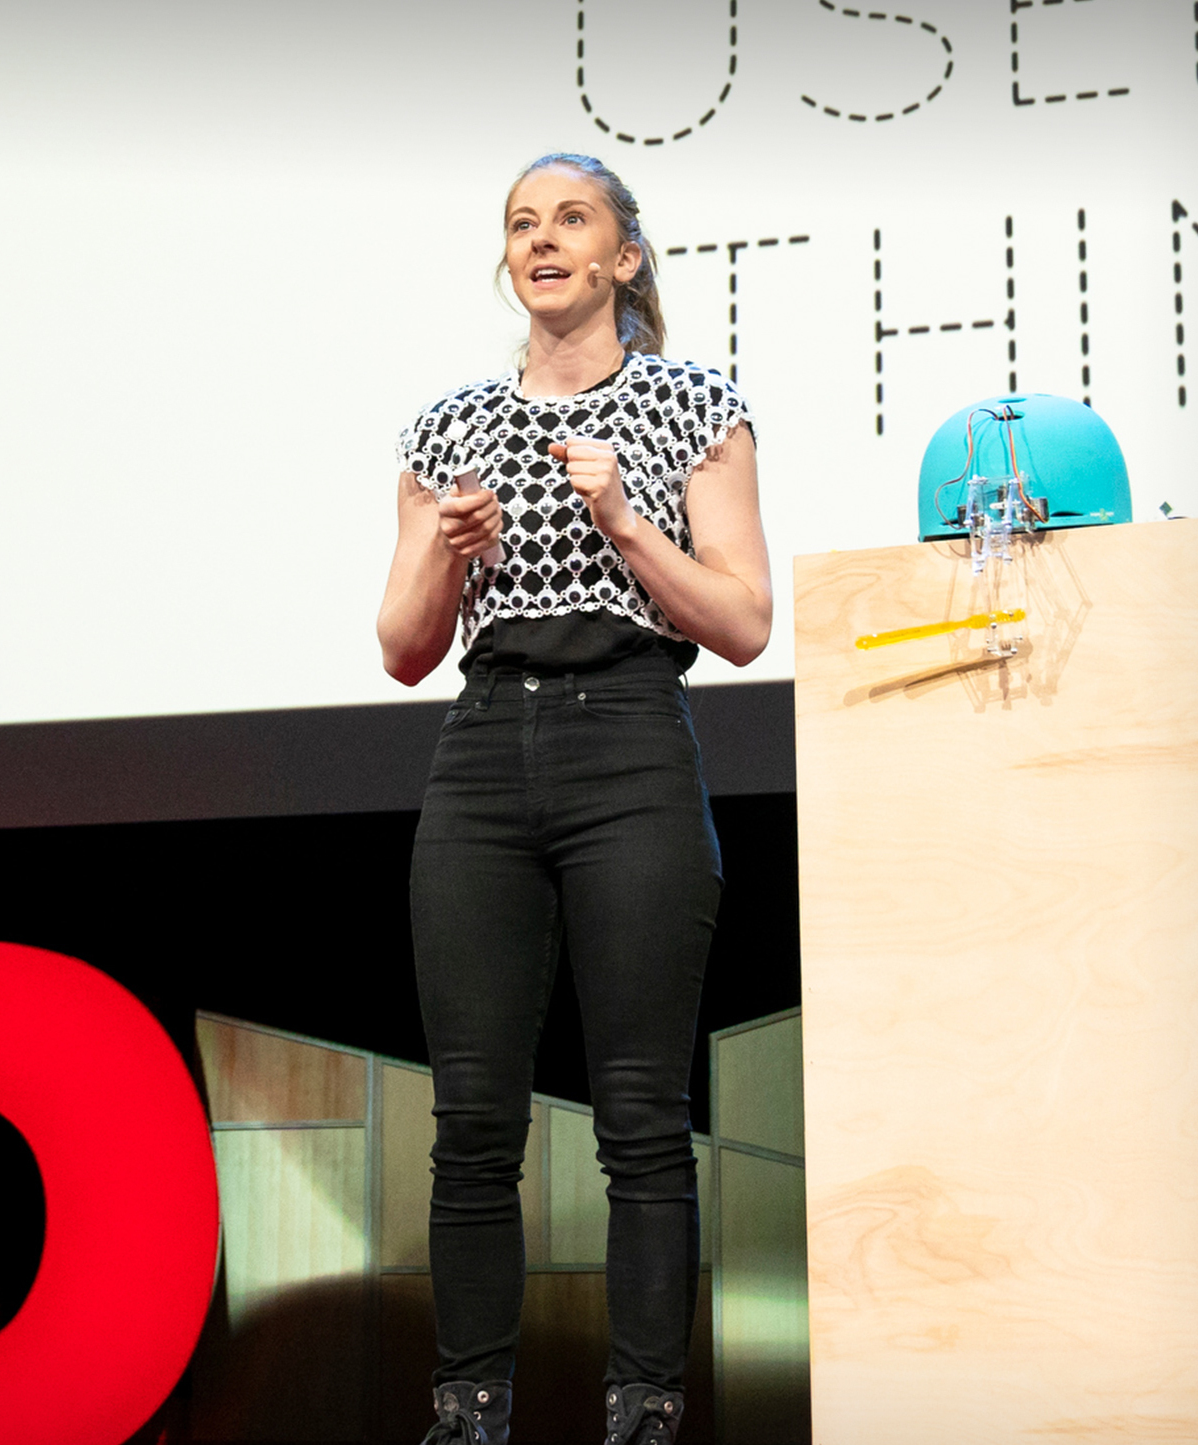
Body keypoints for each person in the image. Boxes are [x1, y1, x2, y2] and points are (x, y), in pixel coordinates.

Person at [375, 153, 773, 1445]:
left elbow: (744, 620)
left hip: (629, 745)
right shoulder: (445, 429)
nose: (543, 241)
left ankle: (643, 1410)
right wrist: (444, 553)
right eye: (521, 224)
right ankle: (469, 1411)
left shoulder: (687, 402)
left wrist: (624, 522)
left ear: (623, 257)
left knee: (641, 1114)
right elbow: (401, 644)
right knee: (473, 1116)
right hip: (485, 749)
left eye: (571, 220)